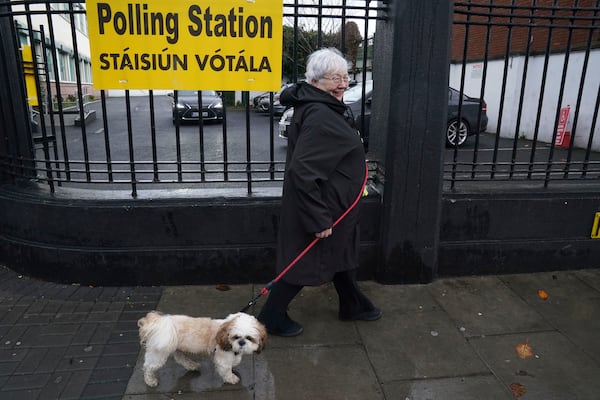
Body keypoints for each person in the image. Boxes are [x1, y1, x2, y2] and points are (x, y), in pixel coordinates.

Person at [258, 48, 381, 337]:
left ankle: (353, 304)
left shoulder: (324, 106)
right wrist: (318, 219)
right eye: (334, 78)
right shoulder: (321, 115)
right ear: (314, 81)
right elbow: (302, 172)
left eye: (346, 76)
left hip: (337, 203)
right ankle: (271, 317)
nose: (343, 83)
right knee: (305, 260)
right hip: (325, 206)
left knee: (341, 253)